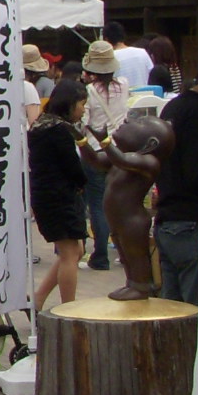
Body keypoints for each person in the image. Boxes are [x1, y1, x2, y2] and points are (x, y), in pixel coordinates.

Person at [154, 57, 198, 305]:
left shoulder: (172, 107)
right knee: (194, 309)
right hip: (191, 219)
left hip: (166, 219)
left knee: (170, 309)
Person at [28, 80, 90, 318]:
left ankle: (38, 299)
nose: (83, 109)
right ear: (70, 104)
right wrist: (82, 183)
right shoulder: (59, 131)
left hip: (47, 196)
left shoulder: (41, 126)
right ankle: (68, 309)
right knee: (70, 252)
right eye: (82, 104)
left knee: (75, 249)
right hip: (59, 197)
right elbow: (73, 167)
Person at [78, 39, 128, 274]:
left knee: (97, 205)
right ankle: (125, 253)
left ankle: (100, 255)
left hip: (96, 152)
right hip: (119, 151)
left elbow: (83, 123)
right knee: (118, 203)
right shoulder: (124, 85)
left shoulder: (88, 92)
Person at [107, 21, 153, 89]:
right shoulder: (142, 52)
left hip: (123, 98)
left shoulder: (110, 57)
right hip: (145, 96)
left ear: (106, 39)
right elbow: (152, 74)